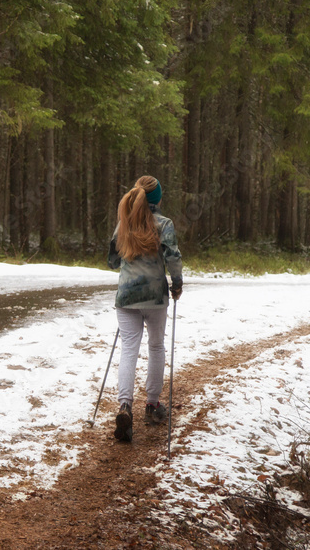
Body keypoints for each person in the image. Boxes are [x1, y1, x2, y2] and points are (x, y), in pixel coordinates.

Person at [107, 175, 183, 442]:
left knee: (129, 348)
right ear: (158, 198)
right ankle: (152, 405)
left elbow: (112, 261)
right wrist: (177, 283)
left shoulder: (124, 224)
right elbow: (173, 257)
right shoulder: (164, 224)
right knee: (156, 346)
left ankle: (124, 406)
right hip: (154, 297)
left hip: (126, 297)